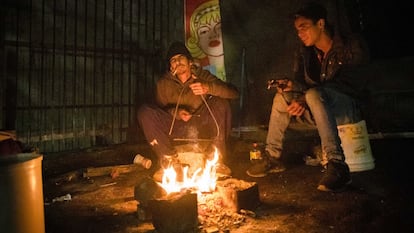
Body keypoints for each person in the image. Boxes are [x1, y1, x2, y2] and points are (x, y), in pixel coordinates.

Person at [246, 2, 370, 192]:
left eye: (303, 28)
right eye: (297, 30)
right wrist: (293, 86)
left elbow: (353, 83)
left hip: (349, 108)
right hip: (322, 112)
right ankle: (272, 156)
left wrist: (305, 97)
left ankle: (337, 164)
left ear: (320, 24)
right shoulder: (306, 53)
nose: (300, 34)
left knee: (312, 94)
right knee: (282, 97)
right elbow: (310, 90)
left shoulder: (350, 44)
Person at [137, 41, 239, 180]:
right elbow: (159, 112)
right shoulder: (163, 84)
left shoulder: (203, 76)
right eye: (173, 60)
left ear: (190, 62)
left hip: (200, 125)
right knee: (145, 112)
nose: (177, 62)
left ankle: (215, 161)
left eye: (181, 58)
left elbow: (234, 93)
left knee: (221, 102)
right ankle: (170, 162)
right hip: (176, 127)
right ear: (171, 66)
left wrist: (208, 87)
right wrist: (175, 113)